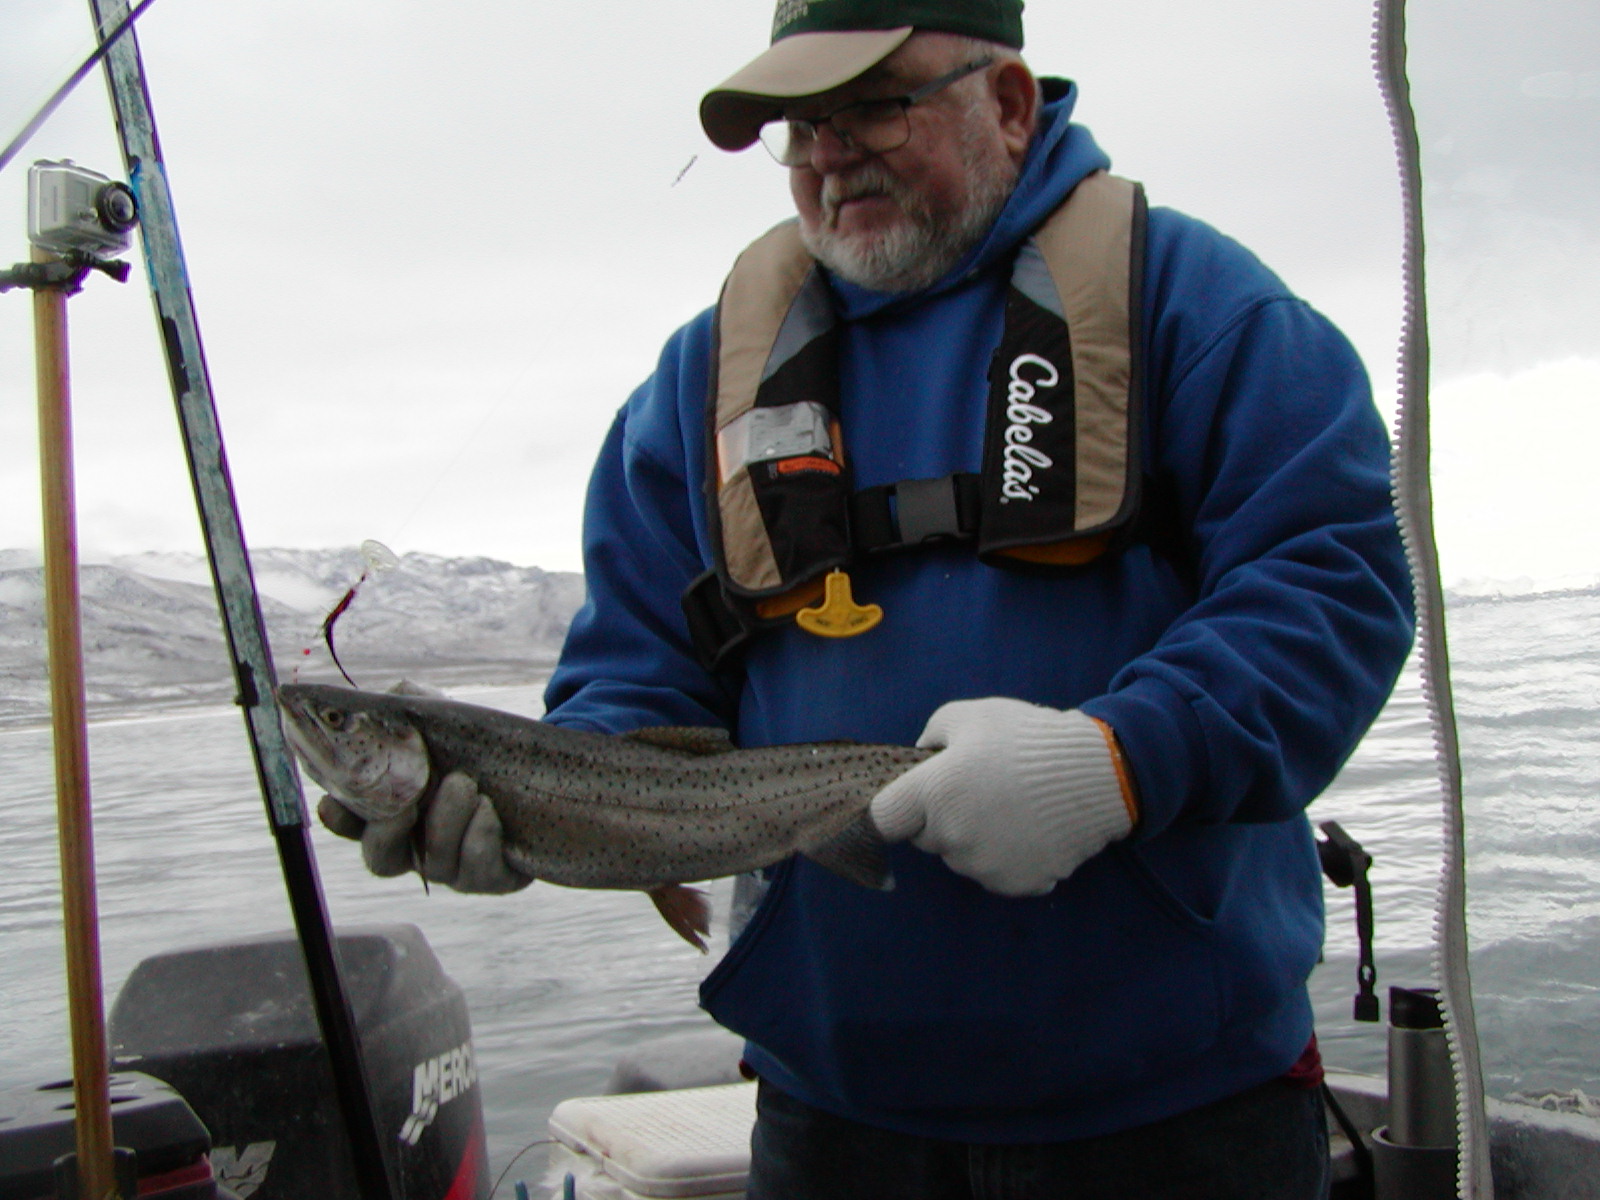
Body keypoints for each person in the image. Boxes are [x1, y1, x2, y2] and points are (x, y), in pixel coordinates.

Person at [323, 1, 1414, 1195]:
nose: (827, 154)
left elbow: (1332, 583)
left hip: (1181, 1110)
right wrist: (539, 809)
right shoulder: (701, 379)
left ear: (1005, 102)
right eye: (798, 127)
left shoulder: (1201, 310)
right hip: (831, 1122)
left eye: (871, 108)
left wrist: (1116, 761)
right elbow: (637, 671)